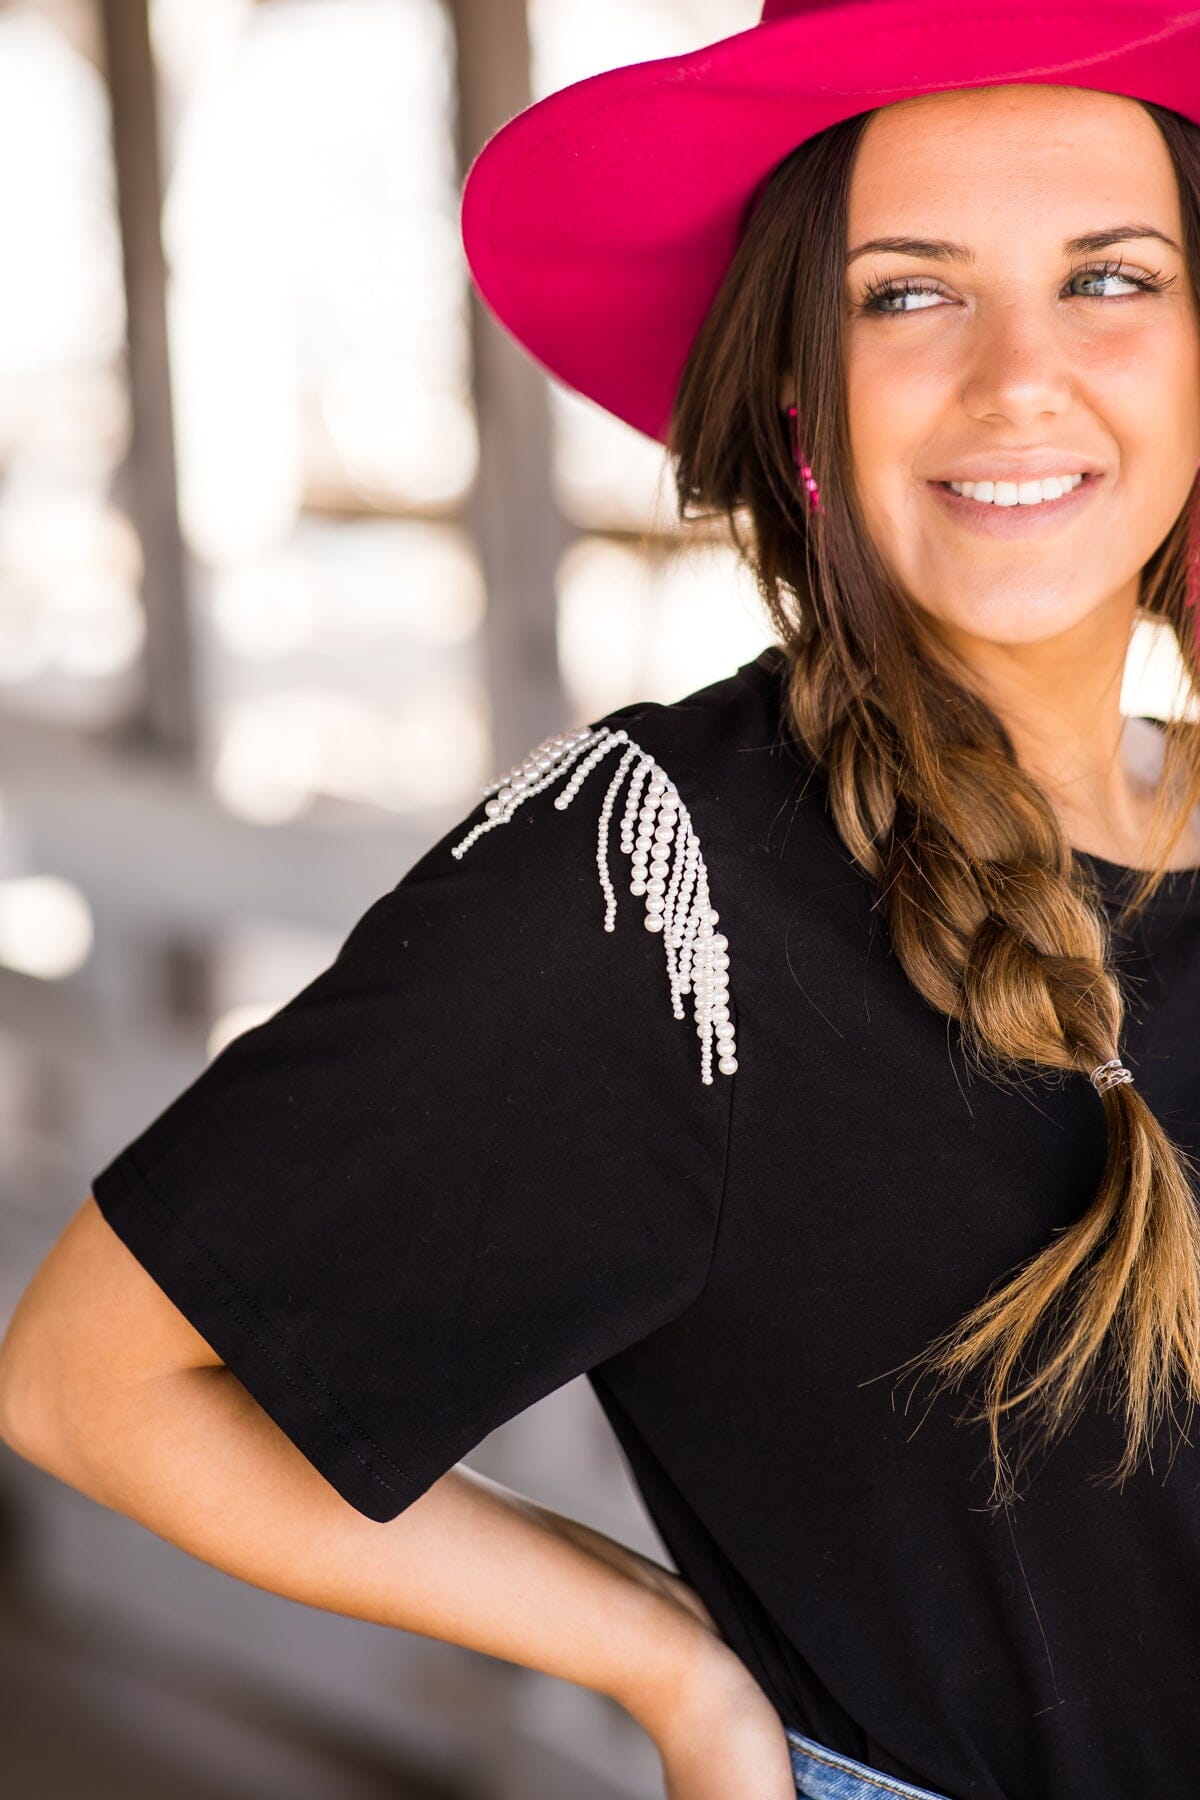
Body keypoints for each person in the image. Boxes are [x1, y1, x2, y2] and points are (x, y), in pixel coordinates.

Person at [2, 3, 1200, 1796]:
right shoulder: (659, 883)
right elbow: (94, 1378)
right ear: (799, 381)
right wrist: (668, 1664)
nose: (1019, 376)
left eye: (1110, 278)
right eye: (906, 292)